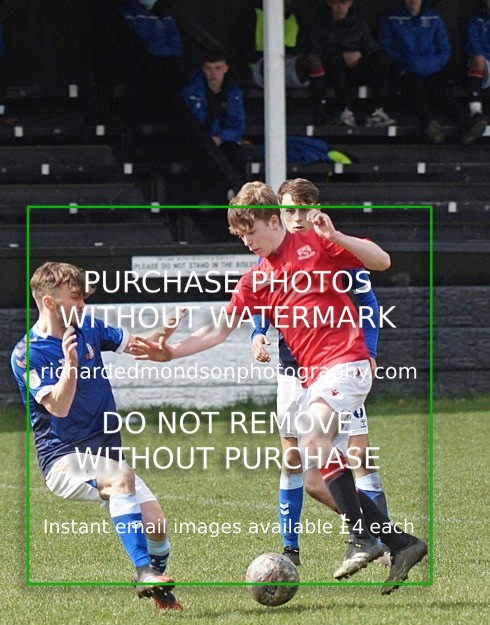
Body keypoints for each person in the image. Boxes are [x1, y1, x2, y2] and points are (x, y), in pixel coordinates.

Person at [133, 182, 428, 594]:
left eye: (251, 231)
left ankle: (364, 537)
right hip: (316, 377)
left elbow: (381, 260)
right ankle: (400, 543)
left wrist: (336, 237)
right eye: (240, 236)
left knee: (314, 440)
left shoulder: (315, 243)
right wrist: (172, 352)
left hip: (347, 363)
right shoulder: (257, 279)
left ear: (275, 220)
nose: (247, 241)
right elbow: (219, 330)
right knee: (314, 473)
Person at [10, 262, 183, 611]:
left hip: (105, 456)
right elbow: (57, 408)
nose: (83, 306)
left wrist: (159, 344)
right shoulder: (26, 354)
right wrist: (70, 365)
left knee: (158, 526)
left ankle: (159, 592)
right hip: (62, 461)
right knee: (120, 478)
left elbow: (138, 346)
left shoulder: (88, 326)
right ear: (48, 302)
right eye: (75, 298)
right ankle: (142, 572)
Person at [250, 178, 390, 567]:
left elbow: (367, 302)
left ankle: (377, 536)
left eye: (300, 210)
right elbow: (262, 300)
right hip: (292, 373)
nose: (293, 218)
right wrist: (259, 334)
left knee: (358, 453)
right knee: (293, 458)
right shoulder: (269, 254)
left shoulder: (332, 249)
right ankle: (291, 547)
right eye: (286, 209)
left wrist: (372, 350)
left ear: (314, 211)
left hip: (337, 367)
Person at [379, 0, 487, 144]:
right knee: (413, 86)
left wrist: (431, 64)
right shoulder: (390, 19)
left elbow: (445, 49)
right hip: (406, 69)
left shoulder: (434, 18)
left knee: (442, 89)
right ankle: (429, 124)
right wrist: (407, 62)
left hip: (432, 68)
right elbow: (384, 49)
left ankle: (467, 124)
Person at [309, 0, 394, 128]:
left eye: (344, 3)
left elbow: (372, 47)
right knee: (334, 61)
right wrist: (342, 55)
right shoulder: (320, 25)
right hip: (333, 72)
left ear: (350, 4)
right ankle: (345, 111)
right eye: (336, 3)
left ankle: (374, 111)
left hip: (358, 68)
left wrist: (360, 54)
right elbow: (314, 52)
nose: (340, 7)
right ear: (329, 4)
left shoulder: (359, 23)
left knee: (382, 58)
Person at [243, 0, 327, 124]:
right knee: (275, 63)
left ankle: (320, 110)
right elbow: (247, 51)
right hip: (260, 67)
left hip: (289, 64)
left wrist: (288, 55)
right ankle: (277, 119)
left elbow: (301, 49)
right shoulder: (255, 15)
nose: (285, 2)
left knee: (314, 60)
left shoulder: (295, 19)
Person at [181, 51, 247, 176]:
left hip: (223, 141)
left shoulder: (234, 93)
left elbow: (239, 125)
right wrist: (204, 139)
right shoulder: (190, 92)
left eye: (217, 68)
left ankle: (239, 194)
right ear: (203, 70)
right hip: (198, 142)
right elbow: (186, 123)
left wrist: (221, 138)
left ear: (225, 69)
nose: (213, 73)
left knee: (236, 156)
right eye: (208, 68)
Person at [465, 0, 490, 119]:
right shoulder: (476, 20)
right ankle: (475, 111)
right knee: (478, 59)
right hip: (485, 62)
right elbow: (473, 44)